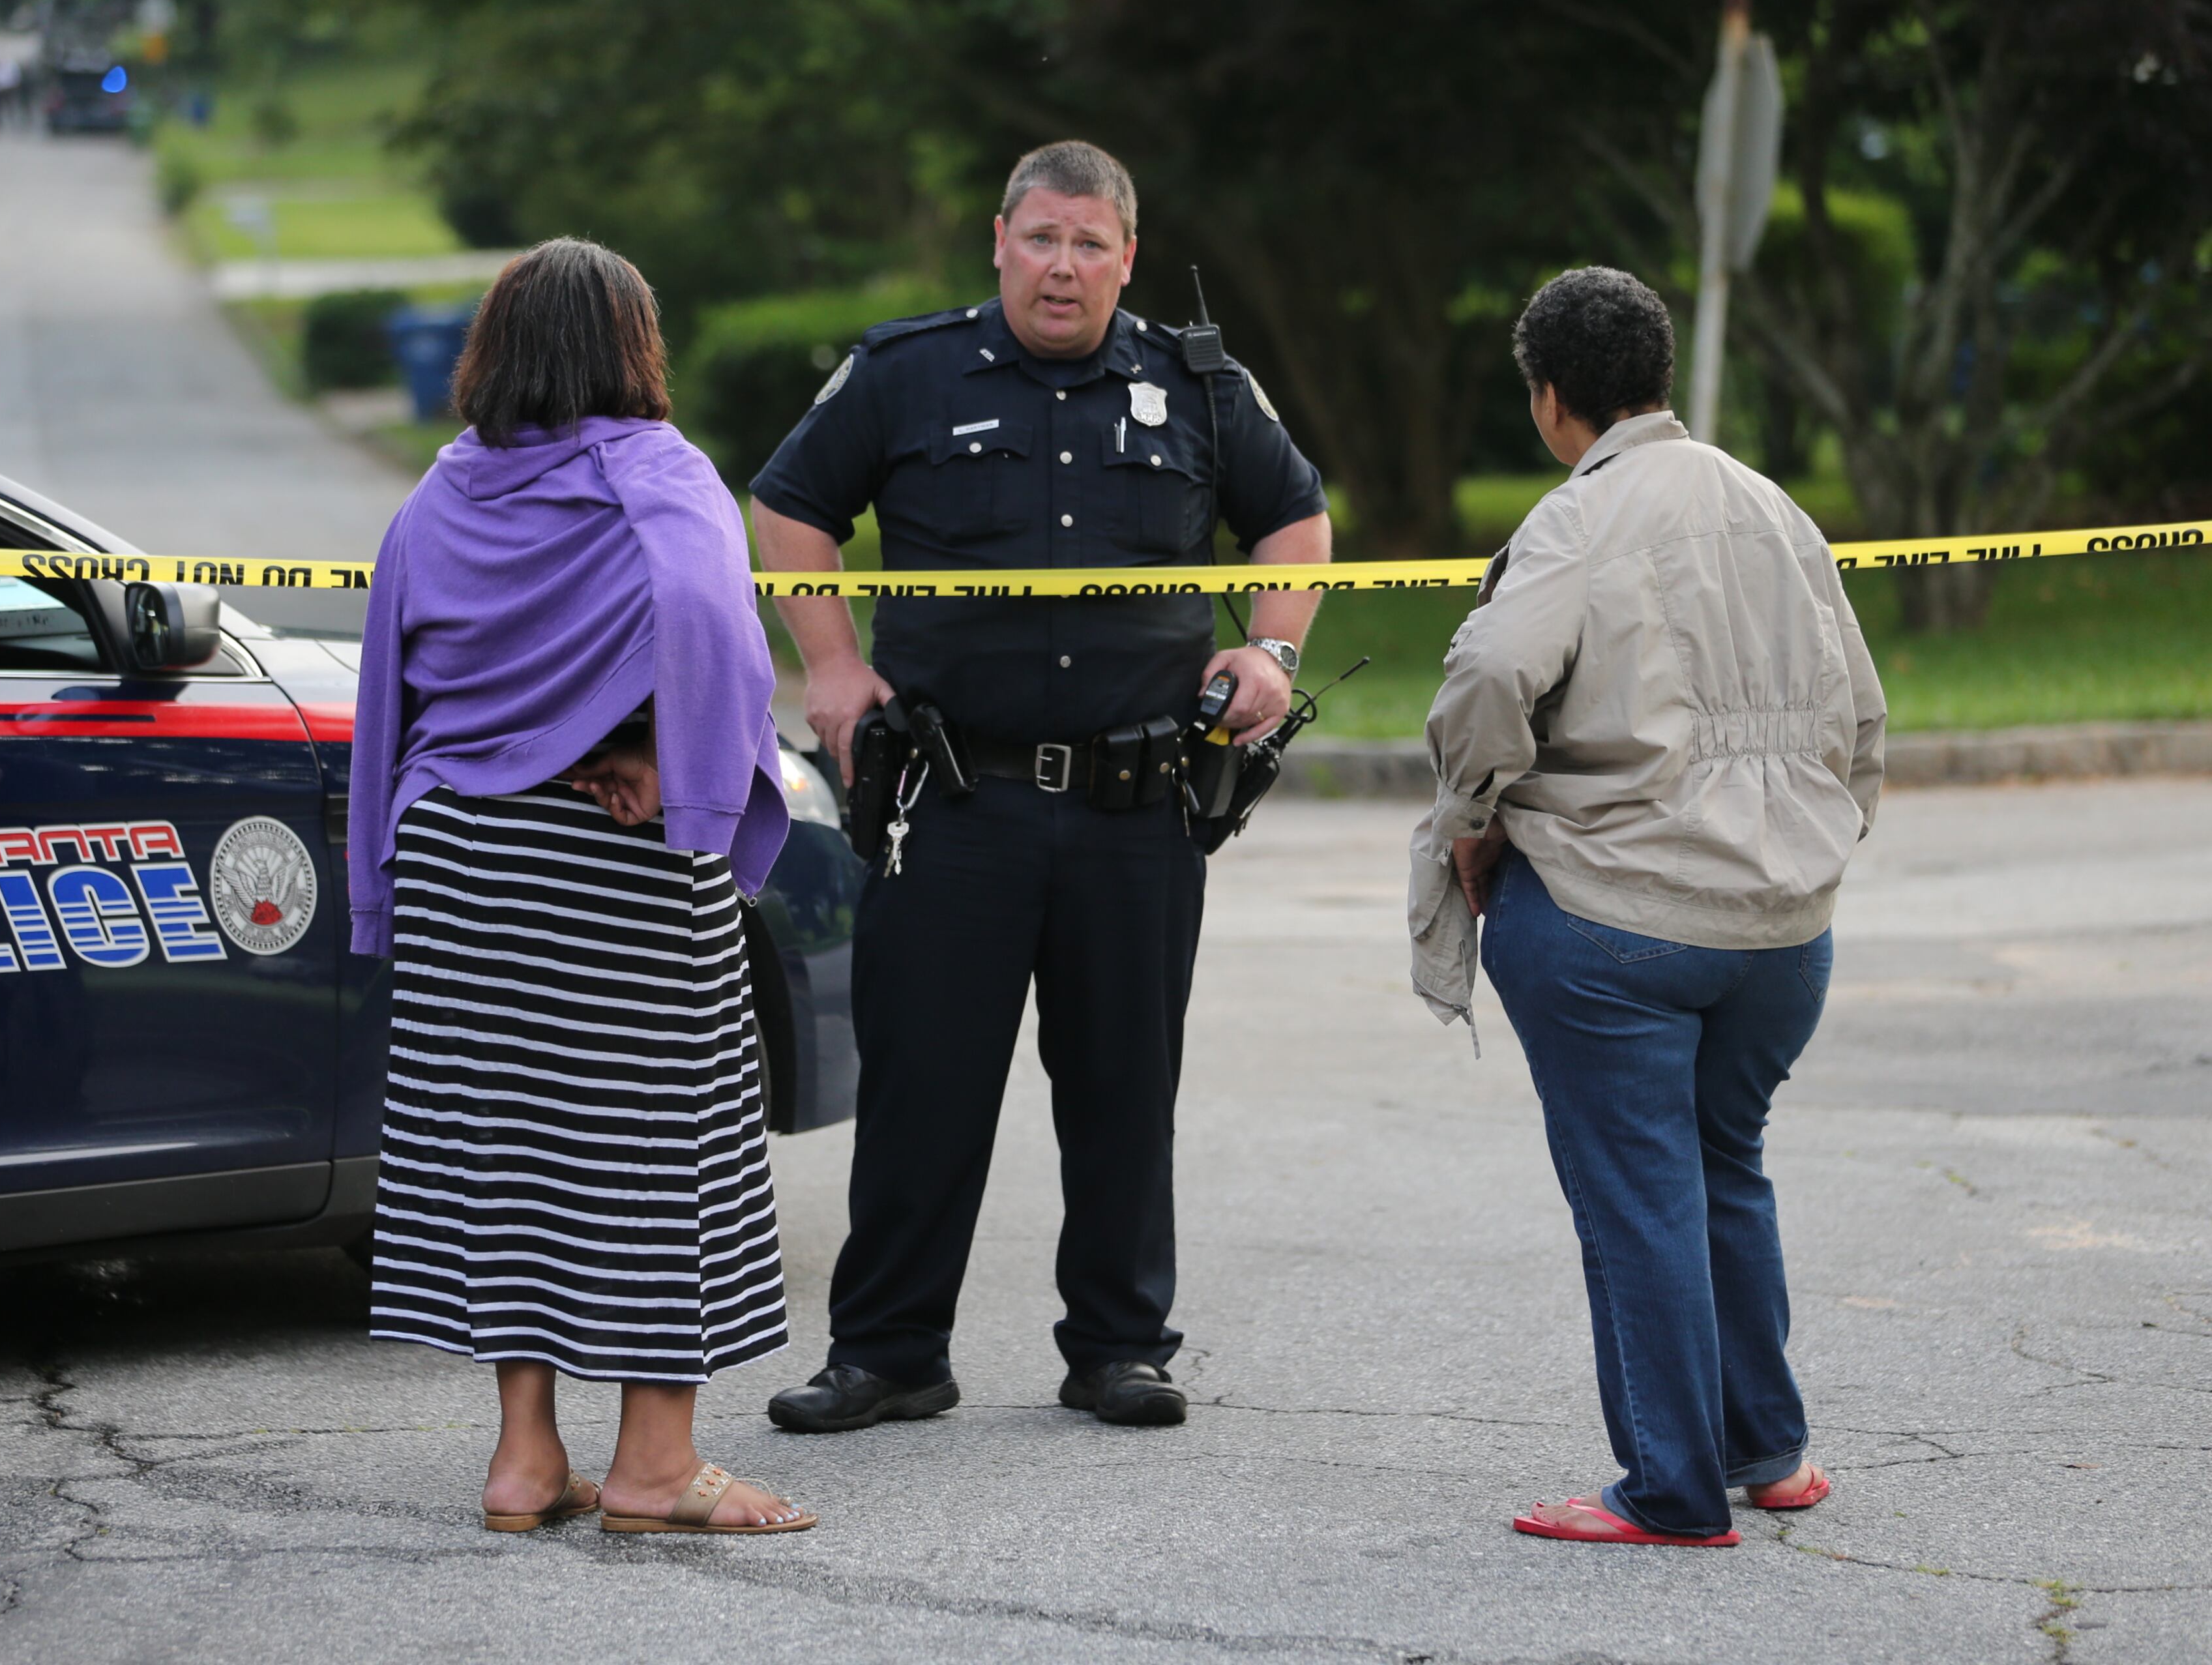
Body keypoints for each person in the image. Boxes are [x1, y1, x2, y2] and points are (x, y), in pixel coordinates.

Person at [752, 140, 1333, 1434]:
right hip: (952, 802)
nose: (1062, 266)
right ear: (999, 242)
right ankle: (891, 1351)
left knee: (1125, 1083)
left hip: (1138, 807)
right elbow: (789, 506)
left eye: (1090, 244)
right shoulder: (908, 372)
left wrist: (1272, 647)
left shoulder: (1198, 381)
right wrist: (833, 661)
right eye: (1041, 238)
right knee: (923, 1084)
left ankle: (1120, 1347)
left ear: (1128, 257)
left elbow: (1295, 518)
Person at [1409, 267, 1887, 1547]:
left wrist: (1473, 812)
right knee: (1726, 1164)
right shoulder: (1776, 507)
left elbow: (1499, 669)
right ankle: (1769, 1451)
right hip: (1786, 929)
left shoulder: (1581, 515)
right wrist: (1812, 849)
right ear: (1658, 376)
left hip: (1614, 915)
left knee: (1639, 1191)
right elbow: (1867, 713)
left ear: (1550, 397)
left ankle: (1671, 1488)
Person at [349, 239, 816, 1536]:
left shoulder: (438, 495)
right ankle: (658, 1468)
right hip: (599, 858)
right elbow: (711, 620)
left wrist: (386, 869)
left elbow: (397, 672)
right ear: (633, 347)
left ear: (494, 349)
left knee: (510, 1153)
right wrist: (685, 770)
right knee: (664, 1147)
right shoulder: (654, 475)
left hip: (457, 858)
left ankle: (524, 1459)